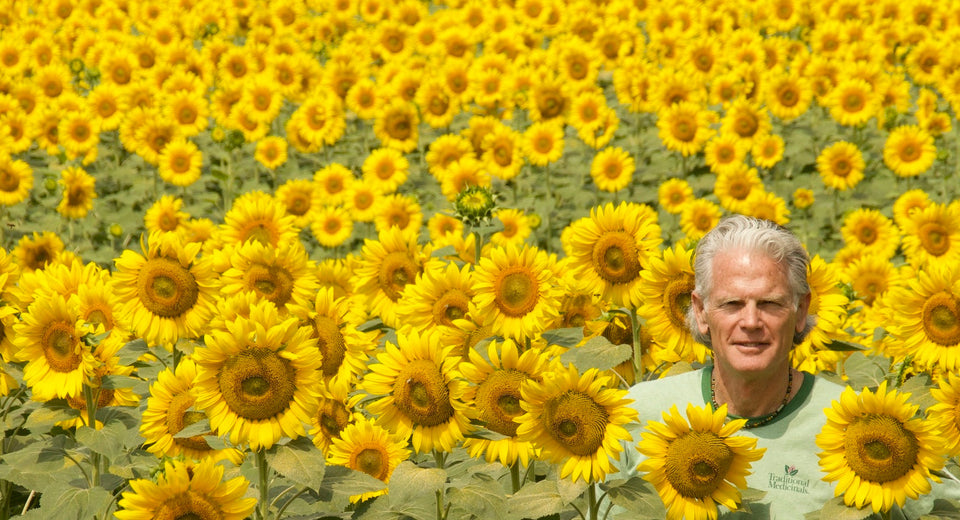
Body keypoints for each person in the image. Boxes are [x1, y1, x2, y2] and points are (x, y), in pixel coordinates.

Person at [617, 215, 931, 519]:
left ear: (800, 312)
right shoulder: (637, 414)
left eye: (770, 303)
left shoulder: (859, 425)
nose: (751, 322)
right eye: (732, 304)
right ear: (700, 312)